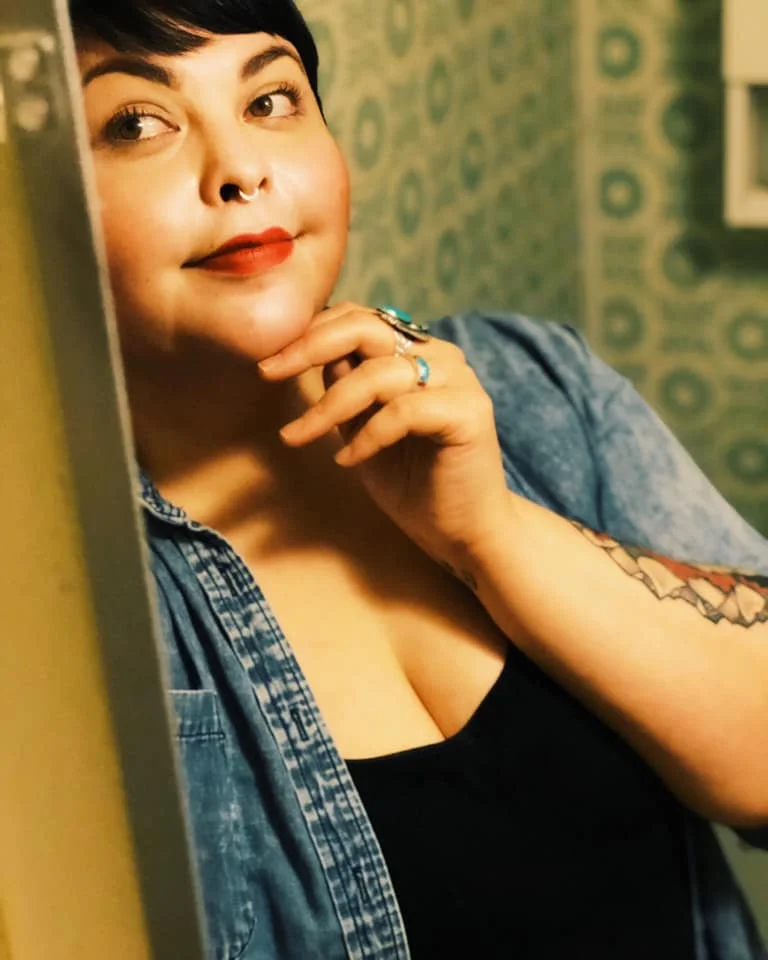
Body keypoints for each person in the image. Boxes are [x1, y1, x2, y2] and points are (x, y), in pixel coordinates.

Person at [69, 1, 768, 957]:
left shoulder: (535, 387)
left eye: (271, 100)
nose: (240, 169)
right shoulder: (73, 609)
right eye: (137, 124)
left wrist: (491, 532)